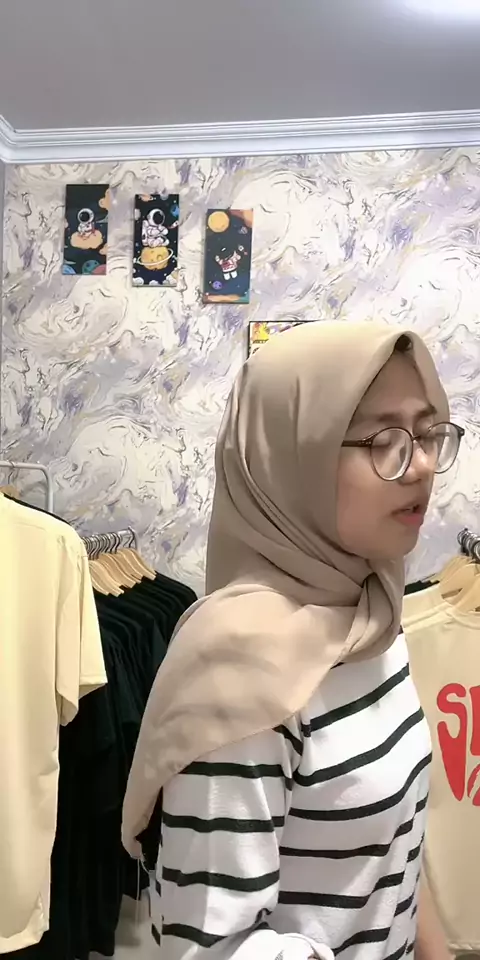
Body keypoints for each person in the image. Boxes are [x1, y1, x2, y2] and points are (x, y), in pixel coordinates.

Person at [122, 321, 463, 960]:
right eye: (385, 439)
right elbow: (212, 948)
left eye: (427, 433)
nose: (420, 465)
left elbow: (396, 854)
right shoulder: (239, 670)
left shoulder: (370, 614)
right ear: (292, 458)